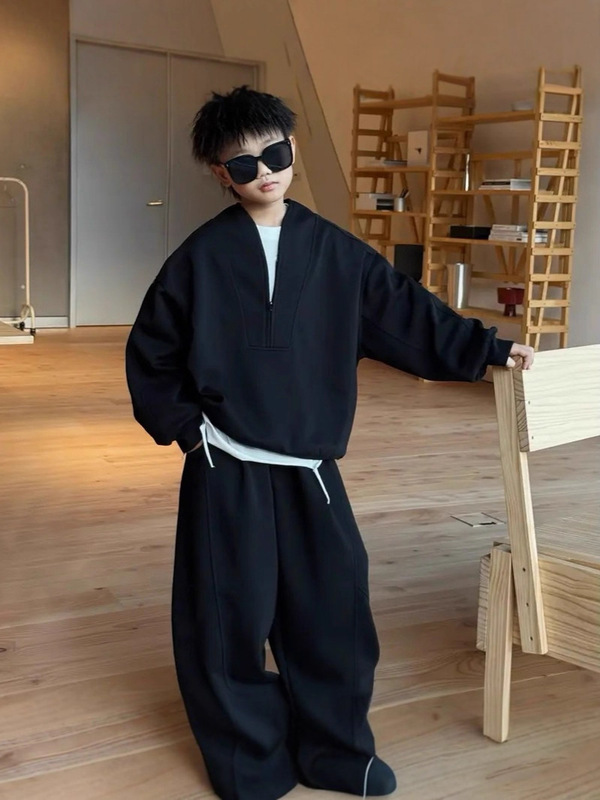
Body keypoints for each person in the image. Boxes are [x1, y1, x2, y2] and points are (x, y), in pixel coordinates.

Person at [125, 86, 534, 800]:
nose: (265, 172)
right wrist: (191, 433)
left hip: (311, 467)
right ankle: (249, 762)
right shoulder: (199, 259)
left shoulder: (338, 254)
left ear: (294, 148)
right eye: (244, 165)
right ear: (221, 174)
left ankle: (337, 751)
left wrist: (487, 349)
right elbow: (152, 352)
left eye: (276, 154)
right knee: (225, 618)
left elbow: (408, 317)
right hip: (226, 466)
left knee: (334, 610)